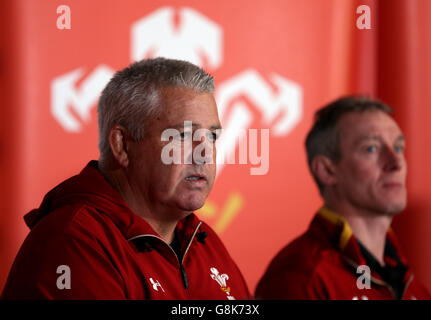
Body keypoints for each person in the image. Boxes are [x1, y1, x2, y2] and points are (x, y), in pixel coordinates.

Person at [2, 58, 250, 300]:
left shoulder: (203, 241)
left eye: (213, 137)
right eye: (184, 135)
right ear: (122, 144)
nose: (205, 153)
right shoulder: (73, 243)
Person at [255, 96, 431, 300]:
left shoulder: (413, 286)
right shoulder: (300, 277)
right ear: (327, 170)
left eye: (399, 148)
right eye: (371, 149)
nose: (396, 163)